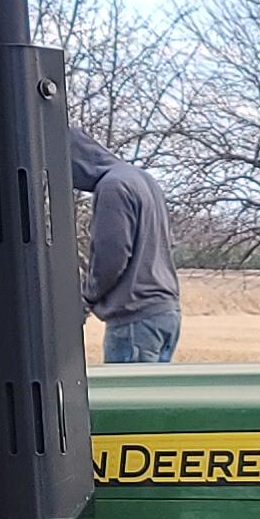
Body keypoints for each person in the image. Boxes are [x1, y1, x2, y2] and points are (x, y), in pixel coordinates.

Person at [70, 128, 183, 365]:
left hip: (135, 318)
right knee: (151, 399)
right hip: (165, 313)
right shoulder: (143, 180)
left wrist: (87, 297)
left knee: (132, 399)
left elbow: (111, 256)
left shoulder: (112, 187)